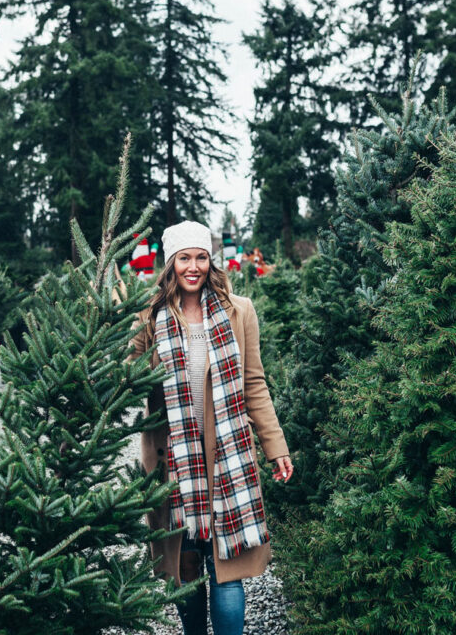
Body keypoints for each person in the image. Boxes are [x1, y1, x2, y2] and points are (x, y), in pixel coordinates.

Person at [130, 220, 293, 635]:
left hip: (227, 456)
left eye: (201, 257)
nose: (194, 266)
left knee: (227, 568)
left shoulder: (239, 311)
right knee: (184, 562)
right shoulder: (148, 319)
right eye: (184, 258)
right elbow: (125, 379)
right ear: (170, 264)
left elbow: (254, 383)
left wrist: (276, 447)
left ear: (210, 261)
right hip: (173, 460)